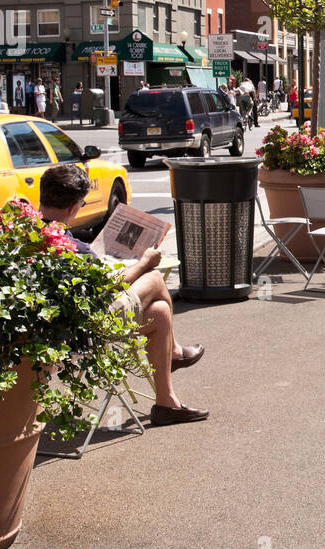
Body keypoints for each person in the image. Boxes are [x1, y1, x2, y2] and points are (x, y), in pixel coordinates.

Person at [39, 164, 210, 426]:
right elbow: (107, 286)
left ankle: (167, 404)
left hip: (57, 325)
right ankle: (175, 352)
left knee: (160, 313)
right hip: (83, 330)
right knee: (152, 277)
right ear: (74, 207)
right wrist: (143, 262)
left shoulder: (34, 233)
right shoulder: (69, 246)